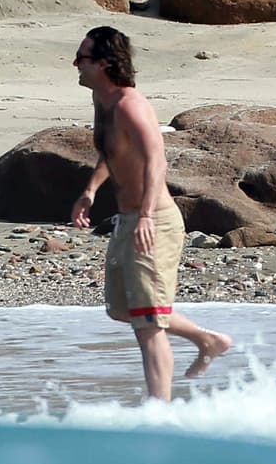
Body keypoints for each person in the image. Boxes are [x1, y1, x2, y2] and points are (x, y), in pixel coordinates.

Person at [69, 27, 231, 402]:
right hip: (129, 220)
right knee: (124, 309)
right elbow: (113, 153)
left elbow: (157, 160)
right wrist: (90, 191)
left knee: (147, 323)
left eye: (82, 57)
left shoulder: (131, 105)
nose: (75, 64)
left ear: (105, 63)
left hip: (153, 221)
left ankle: (160, 412)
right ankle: (206, 339)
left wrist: (144, 216)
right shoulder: (101, 99)